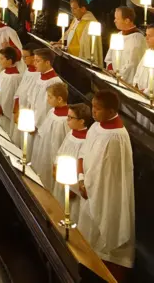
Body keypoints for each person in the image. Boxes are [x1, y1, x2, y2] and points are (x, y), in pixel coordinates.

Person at [77, 90, 135, 277]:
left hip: (106, 194)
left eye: (98, 109)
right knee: (88, 237)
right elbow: (85, 153)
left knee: (105, 235)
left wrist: (89, 184)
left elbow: (109, 175)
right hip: (90, 188)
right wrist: (81, 178)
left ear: (111, 111)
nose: (93, 112)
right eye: (93, 107)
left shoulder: (116, 136)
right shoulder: (96, 127)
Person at [52, 103, 92, 225]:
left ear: (82, 121)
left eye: (70, 118)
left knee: (71, 213)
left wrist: (72, 187)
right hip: (61, 180)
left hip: (72, 187)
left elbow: (82, 167)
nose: (67, 120)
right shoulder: (71, 133)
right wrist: (56, 167)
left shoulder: (86, 141)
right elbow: (61, 152)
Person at [30, 82, 69, 191]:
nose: (47, 99)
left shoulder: (65, 120)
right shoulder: (52, 111)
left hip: (54, 154)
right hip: (44, 151)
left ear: (60, 99)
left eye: (50, 97)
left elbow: (63, 142)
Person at [104, 7, 146, 84]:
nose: (114, 21)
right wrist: (110, 70)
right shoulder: (118, 35)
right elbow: (109, 57)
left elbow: (133, 65)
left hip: (126, 81)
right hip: (112, 77)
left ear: (127, 20)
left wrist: (118, 74)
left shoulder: (137, 39)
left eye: (117, 18)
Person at [26, 48, 61, 131]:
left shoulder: (55, 82)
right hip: (31, 121)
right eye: (34, 60)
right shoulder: (38, 76)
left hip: (41, 126)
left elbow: (46, 108)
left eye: (37, 61)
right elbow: (31, 99)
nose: (34, 64)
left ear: (47, 63)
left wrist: (35, 125)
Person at [11, 46, 40, 147]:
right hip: (21, 109)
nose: (23, 59)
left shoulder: (39, 75)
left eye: (25, 57)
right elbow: (20, 91)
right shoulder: (28, 70)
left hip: (29, 114)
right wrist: (16, 110)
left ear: (33, 57)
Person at [61, 0, 102, 65]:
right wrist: (60, 42)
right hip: (70, 55)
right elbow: (68, 33)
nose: (72, 11)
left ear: (83, 9)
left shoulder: (90, 23)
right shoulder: (76, 19)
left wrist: (66, 48)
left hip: (81, 59)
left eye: (74, 9)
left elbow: (85, 46)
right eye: (71, 9)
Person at [0, 46, 23, 135]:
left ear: (10, 61)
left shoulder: (15, 78)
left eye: (2, 59)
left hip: (6, 114)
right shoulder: (3, 73)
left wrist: (0, 109)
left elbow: (10, 96)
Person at [133, 23, 154, 92]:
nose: (146, 38)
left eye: (150, 36)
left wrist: (144, 92)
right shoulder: (148, 52)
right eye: (146, 35)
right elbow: (138, 72)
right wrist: (135, 85)